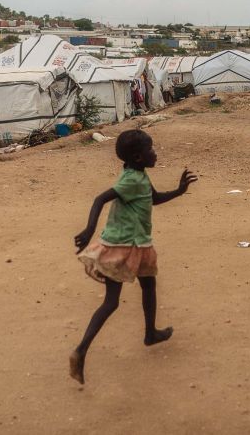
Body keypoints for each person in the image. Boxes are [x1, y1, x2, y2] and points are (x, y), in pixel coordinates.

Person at [70, 129, 197, 384]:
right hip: (127, 245)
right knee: (113, 302)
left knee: (147, 286)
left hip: (133, 242)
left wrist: (179, 191)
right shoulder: (131, 180)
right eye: (151, 149)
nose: (155, 152)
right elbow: (100, 198)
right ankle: (81, 349)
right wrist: (89, 229)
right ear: (139, 157)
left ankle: (150, 333)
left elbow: (153, 198)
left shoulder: (137, 173)